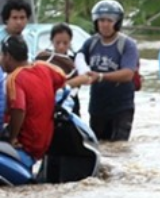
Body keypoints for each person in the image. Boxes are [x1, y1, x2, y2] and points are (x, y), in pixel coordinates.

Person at [74, 1, 137, 142]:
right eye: (101, 20)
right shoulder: (91, 43)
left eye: (109, 20)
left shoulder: (127, 44)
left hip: (121, 107)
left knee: (119, 148)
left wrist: (101, 76)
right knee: (99, 145)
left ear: (117, 22)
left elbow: (128, 74)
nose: (105, 24)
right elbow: (79, 57)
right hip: (98, 106)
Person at [1, 34, 64, 167]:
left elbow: (19, 109)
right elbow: (63, 77)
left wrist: (12, 137)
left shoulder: (14, 78)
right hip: (44, 142)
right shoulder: (44, 68)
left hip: (26, 143)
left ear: (8, 57)